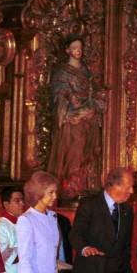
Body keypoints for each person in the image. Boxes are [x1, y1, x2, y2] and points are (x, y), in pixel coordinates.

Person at [47, 34, 104, 200]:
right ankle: (70, 186)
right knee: (75, 150)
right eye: (74, 48)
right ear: (67, 50)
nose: (78, 51)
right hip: (72, 119)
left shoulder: (86, 71)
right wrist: (72, 111)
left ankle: (84, 185)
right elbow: (59, 96)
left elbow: (94, 91)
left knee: (89, 150)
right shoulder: (62, 72)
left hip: (88, 116)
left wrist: (92, 106)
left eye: (80, 48)